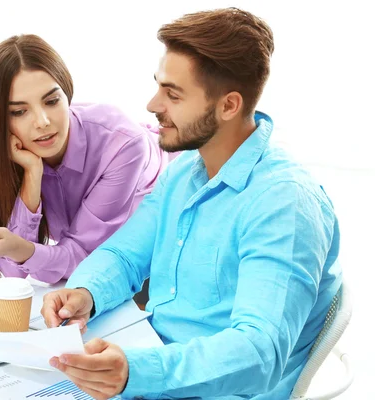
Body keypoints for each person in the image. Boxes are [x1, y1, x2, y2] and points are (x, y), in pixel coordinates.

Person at [40, 8, 342, 400]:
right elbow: (125, 254)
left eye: (173, 94)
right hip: (152, 375)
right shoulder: (185, 171)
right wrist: (85, 294)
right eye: (158, 86)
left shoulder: (285, 204)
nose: (152, 104)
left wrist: (137, 372)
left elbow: (259, 352)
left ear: (229, 106)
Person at [0, 34, 172, 285]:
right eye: (19, 111)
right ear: (1, 119)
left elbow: (83, 257)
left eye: (52, 101)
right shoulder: (18, 150)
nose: (42, 121)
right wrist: (32, 174)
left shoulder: (122, 146)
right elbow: (14, 273)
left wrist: (22, 250)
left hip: (165, 217)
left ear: (67, 95)